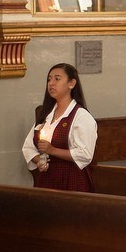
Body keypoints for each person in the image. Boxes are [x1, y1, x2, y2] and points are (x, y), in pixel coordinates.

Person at [22, 63, 97, 192]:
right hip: (46, 179)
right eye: (49, 79)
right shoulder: (45, 114)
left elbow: (85, 154)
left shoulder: (81, 116)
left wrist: (53, 150)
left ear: (71, 83)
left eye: (57, 79)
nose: (51, 83)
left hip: (71, 179)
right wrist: (39, 160)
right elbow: (28, 147)